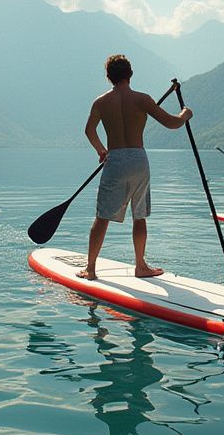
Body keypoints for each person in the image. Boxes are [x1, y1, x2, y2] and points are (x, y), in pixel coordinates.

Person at [80, 54, 191, 280]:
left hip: (115, 160)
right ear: (130, 74)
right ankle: (140, 266)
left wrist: (101, 150)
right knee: (139, 216)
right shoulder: (142, 99)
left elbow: (89, 130)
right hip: (138, 160)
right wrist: (185, 115)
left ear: (109, 77)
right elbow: (171, 123)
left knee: (102, 216)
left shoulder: (101, 102)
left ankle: (90, 269)